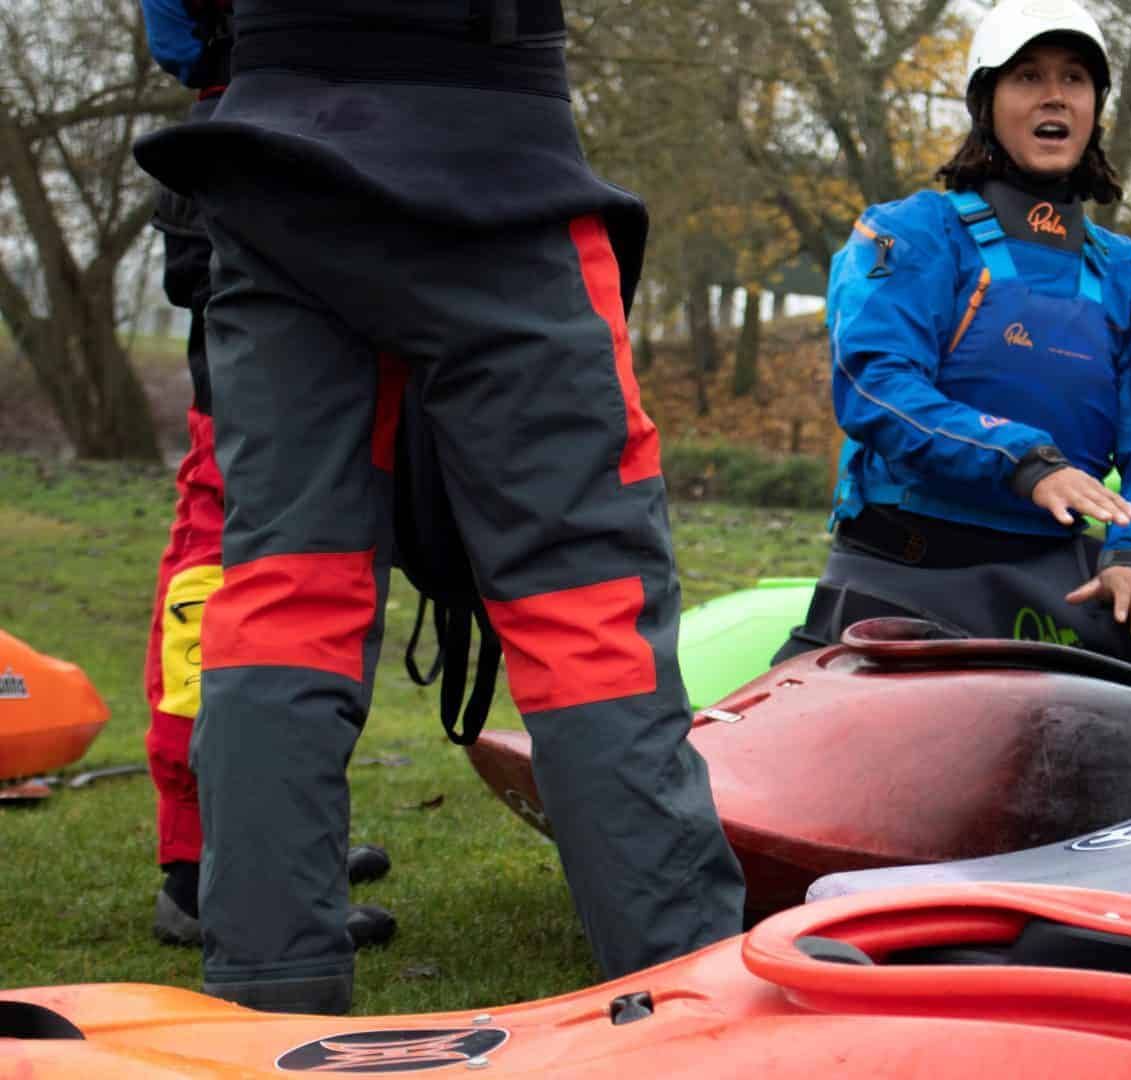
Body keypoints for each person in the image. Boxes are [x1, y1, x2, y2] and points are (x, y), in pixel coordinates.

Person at [133, 0, 745, 1014]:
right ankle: (686, 998)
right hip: (493, 142)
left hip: (272, 151)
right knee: (582, 597)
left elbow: (180, 32)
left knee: (283, 588)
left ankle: (269, 997)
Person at [773, 0, 1131, 703]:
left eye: (1075, 78)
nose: (1055, 95)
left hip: (1055, 565)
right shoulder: (909, 235)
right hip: (910, 562)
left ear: (1096, 105)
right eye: (1028, 76)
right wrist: (1025, 462)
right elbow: (877, 386)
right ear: (987, 101)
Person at [137, 0, 395, 952]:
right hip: (251, 151)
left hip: (320, 147)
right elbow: (185, 36)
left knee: (310, 534)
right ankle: (199, 861)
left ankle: (270, 840)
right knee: (226, 530)